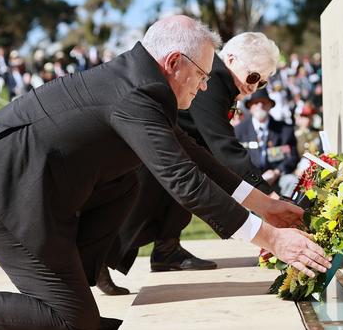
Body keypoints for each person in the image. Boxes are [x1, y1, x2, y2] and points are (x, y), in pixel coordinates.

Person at [0, 16, 330, 330]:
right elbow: (184, 180)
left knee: (130, 177)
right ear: (174, 63)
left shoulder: (143, 84)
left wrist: (265, 204)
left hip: (31, 183)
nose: (202, 87)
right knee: (69, 321)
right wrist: (272, 240)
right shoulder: (136, 95)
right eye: (200, 75)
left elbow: (191, 154)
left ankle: (73, 290)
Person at [101, 32, 288, 295]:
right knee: (140, 207)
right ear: (231, 59)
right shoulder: (217, 79)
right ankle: (101, 259)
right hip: (158, 149)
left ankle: (168, 250)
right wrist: (267, 195)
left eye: (263, 83)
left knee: (181, 198)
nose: (254, 88)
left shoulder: (227, 82)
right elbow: (224, 146)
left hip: (182, 148)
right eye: (253, 77)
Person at [234, 88, 300, 197]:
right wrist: (255, 178)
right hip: (249, 181)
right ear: (250, 107)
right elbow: (235, 160)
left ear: (270, 105)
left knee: (291, 180)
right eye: (255, 103)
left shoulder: (284, 129)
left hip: (277, 178)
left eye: (263, 102)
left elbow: (292, 157)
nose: (260, 105)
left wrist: (276, 172)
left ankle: (285, 210)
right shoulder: (239, 131)